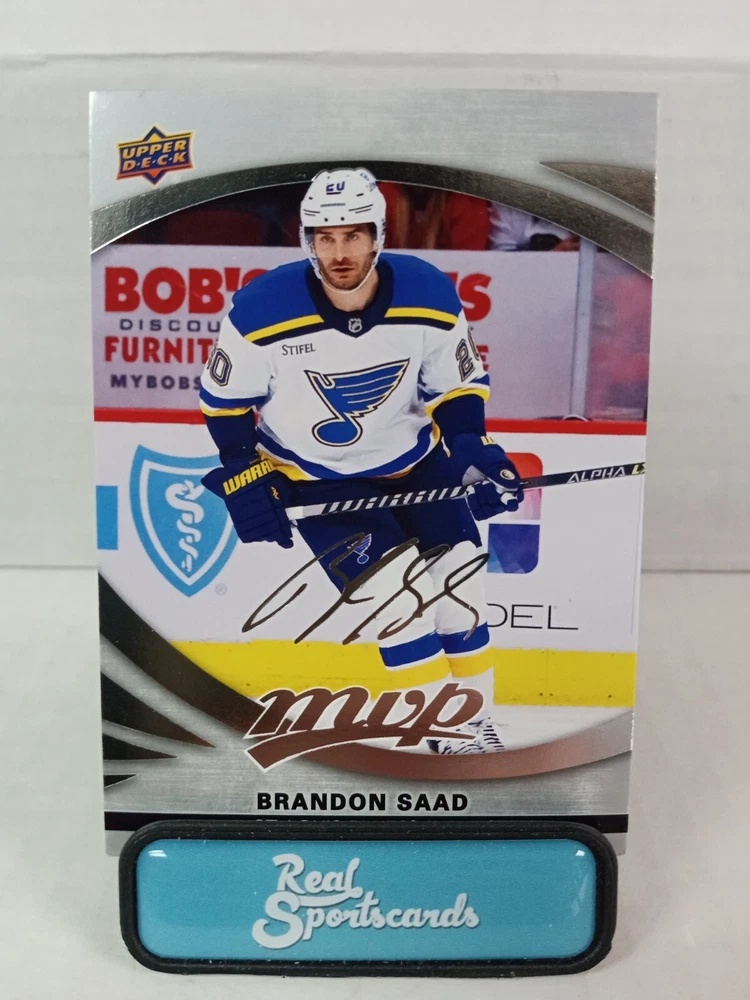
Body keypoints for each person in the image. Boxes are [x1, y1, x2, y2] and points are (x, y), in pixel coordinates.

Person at [198, 168, 523, 754]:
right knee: (397, 603)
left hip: (416, 466)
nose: (340, 252)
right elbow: (225, 405)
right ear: (308, 241)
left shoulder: (428, 293)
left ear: (377, 236)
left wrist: (471, 447)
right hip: (318, 484)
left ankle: (478, 727)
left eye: (352, 235)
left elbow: (455, 386)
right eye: (325, 237)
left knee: (460, 595)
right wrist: (245, 469)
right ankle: (443, 733)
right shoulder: (260, 309)